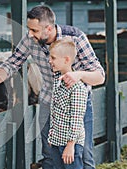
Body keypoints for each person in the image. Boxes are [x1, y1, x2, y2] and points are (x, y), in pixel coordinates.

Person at [0, 5, 105, 169]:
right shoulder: (30, 40)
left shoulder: (76, 38)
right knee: (50, 156)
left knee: (83, 156)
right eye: (29, 29)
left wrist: (79, 75)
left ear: (48, 28)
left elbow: (100, 76)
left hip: (76, 105)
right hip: (48, 103)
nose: (29, 34)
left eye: (34, 30)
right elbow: (12, 63)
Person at [48, 38, 88, 169]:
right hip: (56, 142)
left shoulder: (77, 88)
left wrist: (70, 145)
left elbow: (76, 118)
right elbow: (56, 112)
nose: (50, 61)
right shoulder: (57, 81)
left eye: (53, 58)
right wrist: (52, 138)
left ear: (66, 60)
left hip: (70, 145)